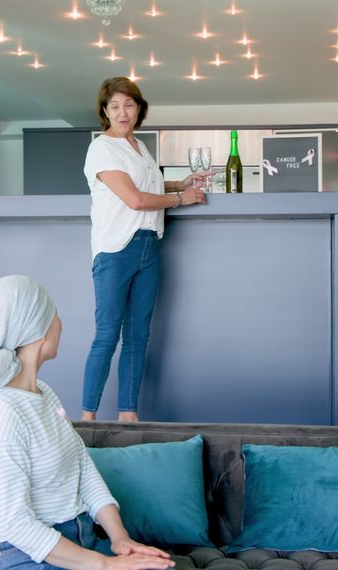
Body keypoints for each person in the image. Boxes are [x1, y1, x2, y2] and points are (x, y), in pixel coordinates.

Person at [0, 275, 175, 570]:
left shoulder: (45, 395)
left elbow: (81, 467)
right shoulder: (0, 414)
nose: (60, 322)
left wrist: (120, 539)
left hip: (79, 542)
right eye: (54, 313)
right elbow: (14, 523)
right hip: (20, 555)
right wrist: (106, 565)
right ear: (39, 328)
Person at [81, 76, 208, 422]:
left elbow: (143, 184)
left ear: (140, 108)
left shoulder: (138, 145)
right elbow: (135, 199)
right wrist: (182, 198)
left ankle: (128, 415)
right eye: (115, 106)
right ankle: (86, 418)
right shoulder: (102, 148)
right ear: (104, 112)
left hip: (149, 247)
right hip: (115, 250)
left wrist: (177, 183)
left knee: (138, 336)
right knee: (107, 336)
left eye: (129, 104)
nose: (123, 112)